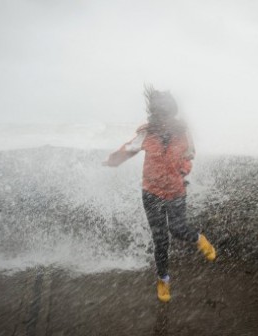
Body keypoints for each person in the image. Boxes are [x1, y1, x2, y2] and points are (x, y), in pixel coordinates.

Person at [102, 85, 216, 302]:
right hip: (151, 193)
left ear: (172, 112)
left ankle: (200, 239)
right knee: (161, 240)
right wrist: (112, 161)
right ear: (155, 114)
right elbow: (129, 149)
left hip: (176, 191)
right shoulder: (147, 132)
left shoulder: (183, 132)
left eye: (167, 114)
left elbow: (189, 155)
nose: (164, 119)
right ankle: (163, 280)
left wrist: (183, 170)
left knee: (178, 229)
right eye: (159, 114)